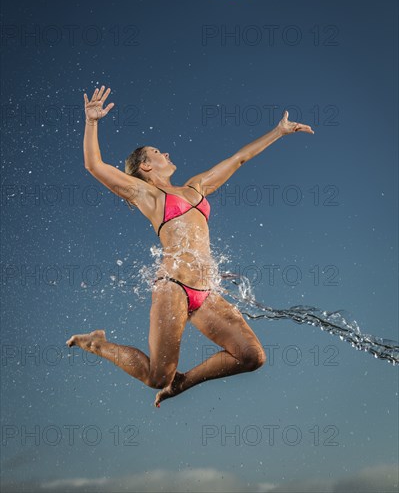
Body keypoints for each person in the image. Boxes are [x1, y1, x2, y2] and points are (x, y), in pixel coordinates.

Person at [66, 85, 315, 407]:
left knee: (251, 357)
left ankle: (183, 383)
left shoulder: (196, 187)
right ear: (145, 166)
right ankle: (97, 343)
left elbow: (238, 159)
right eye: (157, 152)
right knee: (157, 376)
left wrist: (278, 132)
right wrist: (92, 122)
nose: (166, 154)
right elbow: (94, 166)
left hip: (206, 293)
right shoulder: (148, 196)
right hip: (174, 287)